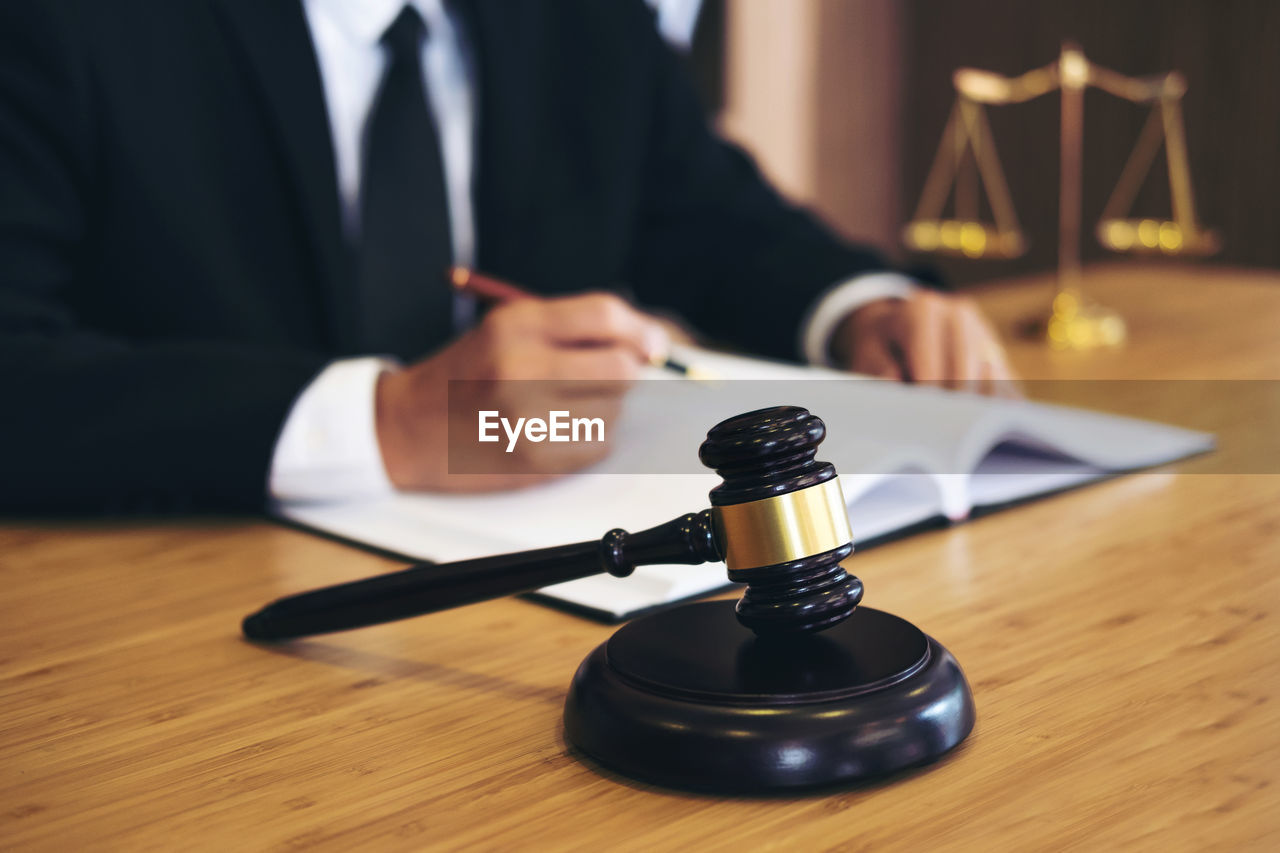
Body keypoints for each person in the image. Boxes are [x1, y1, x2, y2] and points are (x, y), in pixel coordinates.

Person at [0, 0, 1014, 512]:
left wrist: (858, 307)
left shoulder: (584, 19)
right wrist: (394, 423)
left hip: (535, 598)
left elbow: (695, 209)